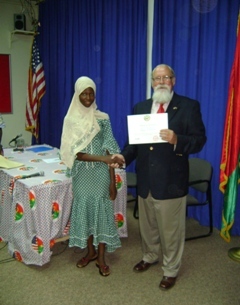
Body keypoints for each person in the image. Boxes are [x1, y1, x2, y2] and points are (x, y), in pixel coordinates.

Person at [113, 64, 206, 290]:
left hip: (171, 181)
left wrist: (177, 140)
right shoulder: (141, 107)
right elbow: (132, 145)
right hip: (146, 180)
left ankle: (171, 269)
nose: (161, 81)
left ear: (173, 80)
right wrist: (122, 157)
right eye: (157, 78)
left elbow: (199, 140)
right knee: (148, 226)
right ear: (152, 82)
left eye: (166, 77)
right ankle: (150, 256)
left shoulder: (188, 106)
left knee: (171, 230)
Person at [60, 76, 124, 277]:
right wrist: (104, 160)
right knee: (86, 213)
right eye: (84, 93)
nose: (88, 97)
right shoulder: (71, 120)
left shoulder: (102, 118)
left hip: (100, 176)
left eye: (91, 93)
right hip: (81, 176)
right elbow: (77, 154)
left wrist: (112, 182)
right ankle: (90, 252)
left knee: (102, 215)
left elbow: (110, 151)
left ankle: (102, 257)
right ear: (77, 95)